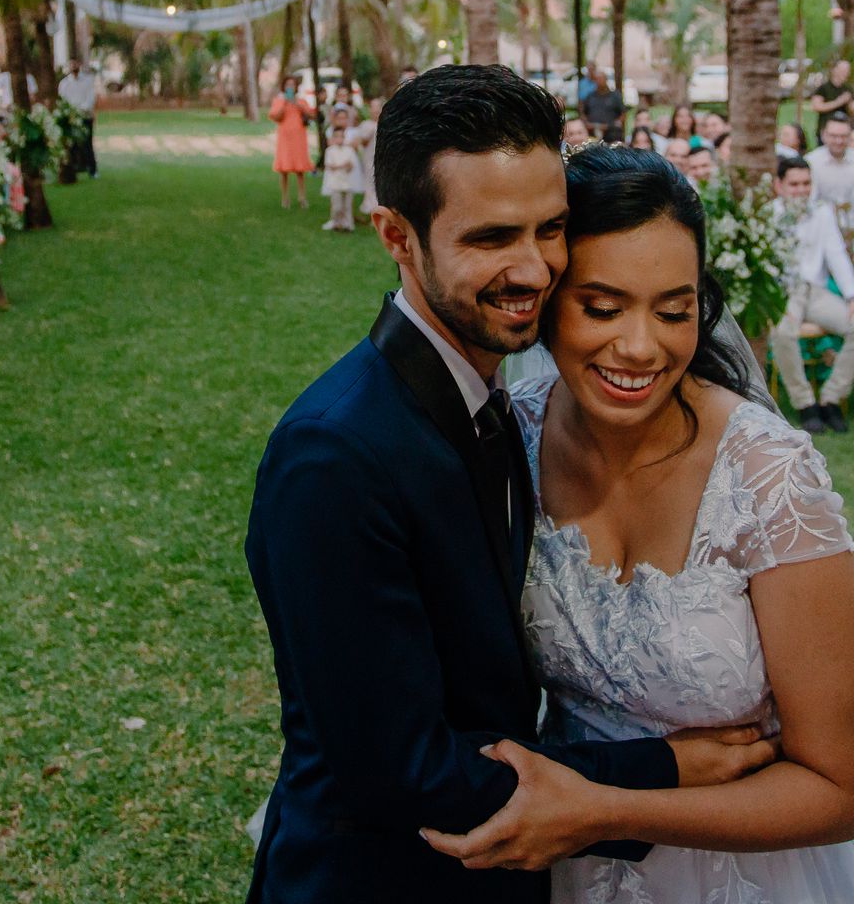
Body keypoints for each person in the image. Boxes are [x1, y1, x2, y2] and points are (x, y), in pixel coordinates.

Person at [246, 65, 769, 904]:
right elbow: (401, 770)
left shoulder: (504, 405)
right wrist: (662, 768)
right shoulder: (335, 456)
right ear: (396, 235)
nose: (534, 270)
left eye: (550, 230)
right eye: (490, 239)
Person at [423, 143, 854, 902]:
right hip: (555, 867)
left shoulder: (769, 479)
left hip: (737, 870)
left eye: (674, 311)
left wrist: (605, 810)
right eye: (601, 308)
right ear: (543, 302)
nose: (641, 347)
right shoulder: (509, 443)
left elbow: (842, 790)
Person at [768, 158, 854, 435]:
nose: (801, 190)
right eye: (794, 184)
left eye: (806, 184)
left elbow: (837, 254)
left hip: (816, 292)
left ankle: (831, 398)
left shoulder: (822, 212)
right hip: (784, 292)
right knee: (782, 332)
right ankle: (805, 403)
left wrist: (853, 297)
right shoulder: (768, 214)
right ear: (779, 186)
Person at [804, 113, 854, 212]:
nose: (839, 141)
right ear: (823, 135)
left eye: (844, 136)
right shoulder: (811, 161)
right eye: (833, 136)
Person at [269, 74, 316, 210]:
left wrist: (297, 105)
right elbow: (275, 117)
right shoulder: (279, 100)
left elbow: (311, 114)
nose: (290, 87)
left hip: (299, 137)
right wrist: (285, 104)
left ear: (296, 87)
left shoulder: (301, 101)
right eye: (287, 84)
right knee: (284, 169)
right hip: (285, 138)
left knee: (300, 169)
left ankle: (302, 197)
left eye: (292, 84)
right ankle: (285, 198)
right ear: (283, 87)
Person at [58, 57, 100, 178]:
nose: (73, 66)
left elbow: (91, 99)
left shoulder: (87, 81)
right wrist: (71, 112)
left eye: (75, 64)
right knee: (72, 145)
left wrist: (80, 110)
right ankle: (73, 170)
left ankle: (92, 170)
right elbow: (63, 101)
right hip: (70, 118)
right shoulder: (64, 83)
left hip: (85, 117)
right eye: (71, 64)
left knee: (87, 144)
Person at [320, 109, 360, 232]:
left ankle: (348, 224)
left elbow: (351, 165)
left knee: (347, 205)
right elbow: (329, 166)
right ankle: (336, 222)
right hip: (335, 183)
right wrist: (341, 165)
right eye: (336, 136)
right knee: (337, 206)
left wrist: (344, 166)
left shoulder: (349, 150)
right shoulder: (330, 151)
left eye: (341, 136)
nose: (339, 139)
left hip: (347, 182)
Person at [351, 98, 382, 215]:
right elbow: (360, 142)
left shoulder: (385, 124)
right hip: (369, 158)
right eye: (373, 107)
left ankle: (378, 207)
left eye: (377, 107)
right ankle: (371, 207)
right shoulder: (366, 125)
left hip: (383, 159)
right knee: (370, 182)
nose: (375, 110)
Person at [579, 65, 625, 141]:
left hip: (611, 133)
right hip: (593, 132)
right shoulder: (590, 96)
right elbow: (583, 112)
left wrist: (614, 124)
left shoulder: (615, 96)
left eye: (601, 79)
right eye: (597, 79)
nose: (599, 81)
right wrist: (586, 123)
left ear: (606, 79)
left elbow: (623, 114)